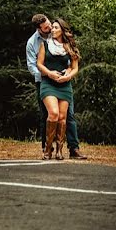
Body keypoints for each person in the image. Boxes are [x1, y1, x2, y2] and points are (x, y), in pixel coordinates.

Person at [25, 14, 87, 160]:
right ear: (39, 29)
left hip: (64, 83)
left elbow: (73, 66)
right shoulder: (34, 43)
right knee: (49, 115)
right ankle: (47, 149)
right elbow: (34, 65)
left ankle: (71, 148)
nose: (50, 29)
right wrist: (48, 75)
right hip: (44, 81)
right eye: (47, 27)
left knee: (66, 116)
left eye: (52, 26)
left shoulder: (68, 45)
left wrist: (68, 74)